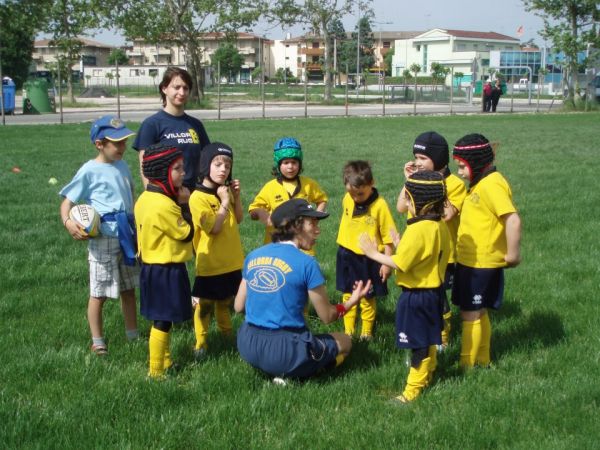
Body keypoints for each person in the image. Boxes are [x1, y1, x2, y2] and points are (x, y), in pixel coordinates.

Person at [235, 198, 372, 381]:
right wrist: (351, 302)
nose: (317, 230)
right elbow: (327, 317)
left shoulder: (253, 255)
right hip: (285, 351)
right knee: (345, 341)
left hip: (247, 344)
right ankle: (302, 374)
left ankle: (278, 370)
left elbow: (238, 306)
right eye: (312, 223)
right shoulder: (307, 263)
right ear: (294, 226)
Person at [360, 170, 450, 403]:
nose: (406, 203)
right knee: (430, 338)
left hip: (417, 296)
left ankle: (411, 392)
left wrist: (372, 253)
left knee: (418, 344)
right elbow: (427, 254)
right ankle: (428, 375)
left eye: (408, 198)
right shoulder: (438, 224)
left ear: (420, 201)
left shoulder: (418, 230)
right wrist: (402, 244)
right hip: (435, 292)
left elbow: (400, 263)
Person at [59, 115, 139, 355]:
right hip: (102, 238)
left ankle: (133, 335)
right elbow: (67, 201)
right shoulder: (89, 170)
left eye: (124, 141)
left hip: (126, 234)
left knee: (128, 289)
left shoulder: (123, 165)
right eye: (117, 143)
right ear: (99, 144)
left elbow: (130, 198)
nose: (123, 147)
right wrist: (68, 222)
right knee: (99, 292)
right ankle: (98, 340)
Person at [451, 133, 522, 369]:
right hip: (473, 261)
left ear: (476, 162)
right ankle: (482, 359)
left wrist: (512, 254)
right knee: (478, 311)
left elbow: (512, 219)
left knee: (470, 313)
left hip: (481, 263)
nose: (460, 172)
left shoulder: (492, 185)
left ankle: (465, 365)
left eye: (462, 166)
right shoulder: (481, 183)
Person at [396, 131, 467, 349]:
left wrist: (435, 186)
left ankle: (442, 339)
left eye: (423, 158)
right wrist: (409, 182)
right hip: (416, 249)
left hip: (440, 253)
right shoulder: (416, 180)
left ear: (439, 160)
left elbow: (447, 214)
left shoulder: (454, 184)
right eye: (416, 157)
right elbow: (400, 207)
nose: (418, 162)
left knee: (438, 297)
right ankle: (423, 332)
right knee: (420, 295)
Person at [134, 143, 194, 378]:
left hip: (151, 266)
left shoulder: (144, 198)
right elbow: (186, 232)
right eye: (178, 169)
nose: (183, 173)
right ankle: (156, 370)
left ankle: (166, 361)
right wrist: (185, 203)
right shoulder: (164, 205)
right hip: (165, 269)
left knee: (164, 317)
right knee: (163, 320)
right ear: (162, 173)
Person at [189, 142, 244, 360]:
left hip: (231, 261)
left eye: (228, 165)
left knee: (225, 301)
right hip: (210, 264)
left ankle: (226, 335)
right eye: (218, 164)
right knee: (205, 305)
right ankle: (201, 342)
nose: (223, 169)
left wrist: (235, 198)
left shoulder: (224, 192)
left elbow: (238, 219)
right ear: (205, 166)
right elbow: (214, 228)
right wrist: (224, 202)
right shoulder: (198, 197)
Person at [336, 160, 396, 340]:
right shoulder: (347, 199)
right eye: (351, 193)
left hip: (368, 259)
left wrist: (387, 264)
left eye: (360, 193)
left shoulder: (380, 206)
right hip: (346, 254)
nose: (355, 198)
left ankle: (366, 332)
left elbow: (389, 239)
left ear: (372, 183)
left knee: (368, 297)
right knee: (348, 293)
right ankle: (348, 330)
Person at [133, 66, 210, 191]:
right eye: (176, 87)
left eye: (186, 88)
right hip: (166, 194)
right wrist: (153, 194)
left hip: (194, 194)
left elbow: (206, 158)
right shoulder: (152, 124)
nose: (182, 92)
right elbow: (145, 165)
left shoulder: (196, 125)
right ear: (164, 88)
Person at [248, 137, 328, 255]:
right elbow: (253, 210)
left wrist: (315, 219)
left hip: (303, 248)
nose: (290, 167)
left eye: (294, 162)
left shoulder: (309, 184)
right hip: (276, 247)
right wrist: (263, 215)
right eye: (286, 163)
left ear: (300, 164)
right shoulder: (270, 187)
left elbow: (322, 199)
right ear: (278, 164)